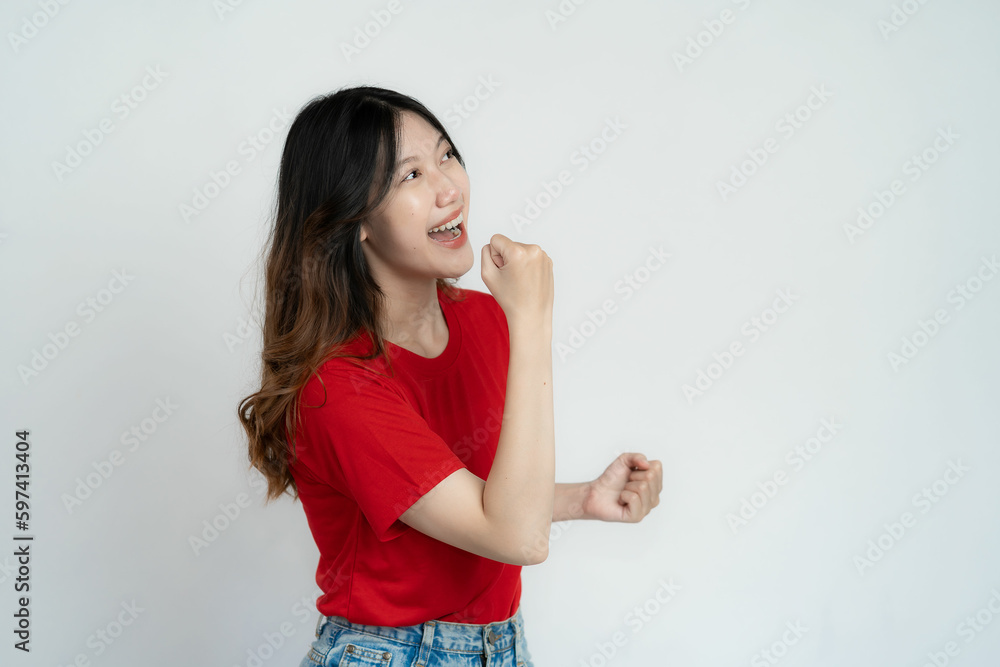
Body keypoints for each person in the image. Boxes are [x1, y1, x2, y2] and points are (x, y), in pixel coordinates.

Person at [237, 85, 664, 667]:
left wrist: (580, 499)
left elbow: (488, 510)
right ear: (354, 218)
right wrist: (534, 319)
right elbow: (517, 538)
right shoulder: (336, 387)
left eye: (445, 155)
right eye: (409, 176)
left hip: (504, 646)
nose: (448, 187)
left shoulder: (484, 318)